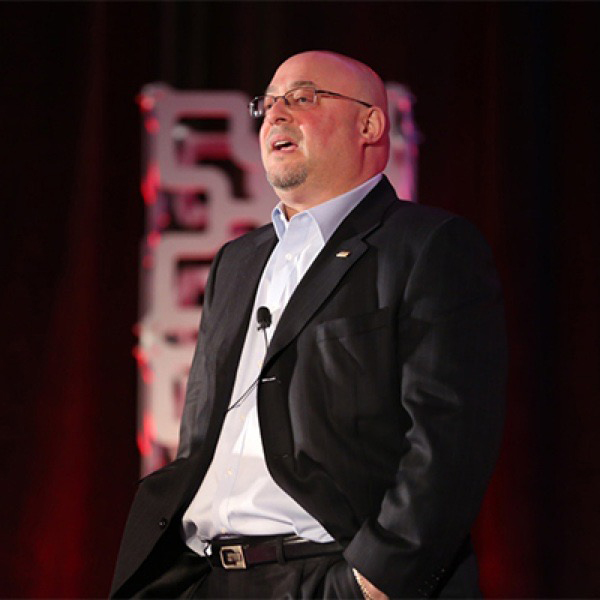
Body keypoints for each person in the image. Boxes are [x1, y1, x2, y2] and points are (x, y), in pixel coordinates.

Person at [111, 50, 506, 599]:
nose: (275, 115)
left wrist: (373, 581)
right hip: (207, 578)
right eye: (268, 104)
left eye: (302, 98)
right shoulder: (236, 262)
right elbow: (200, 437)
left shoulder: (426, 247)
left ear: (369, 124)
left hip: (327, 576)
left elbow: (449, 440)